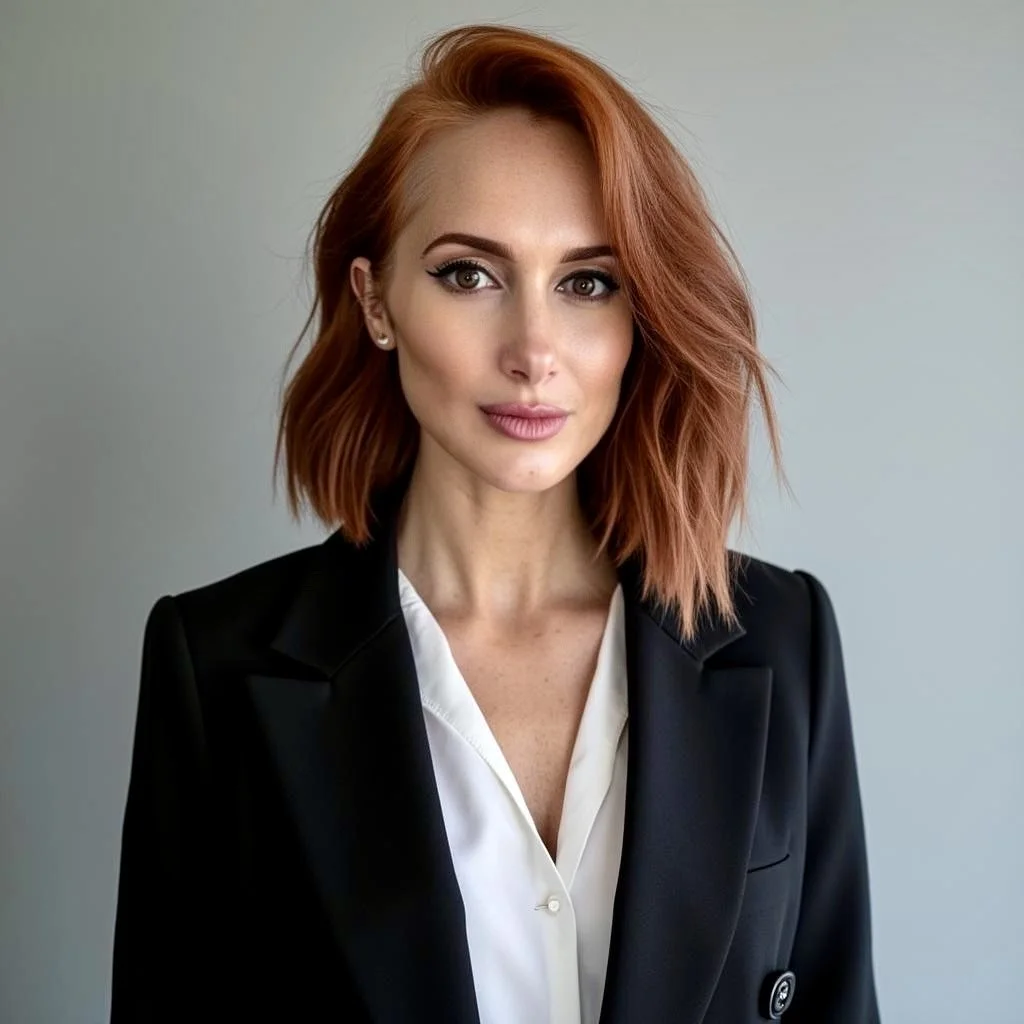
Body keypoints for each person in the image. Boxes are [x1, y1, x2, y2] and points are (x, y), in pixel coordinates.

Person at [110, 23, 880, 1024]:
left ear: (637, 317)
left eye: (587, 282)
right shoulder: (215, 667)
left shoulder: (783, 639)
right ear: (375, 299)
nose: (532, 349)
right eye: (469, 274)